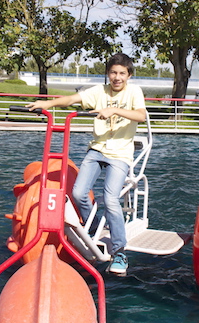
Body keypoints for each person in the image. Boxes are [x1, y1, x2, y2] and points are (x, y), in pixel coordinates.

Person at [26, 53, 147, 275]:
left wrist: (114, 110)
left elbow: (140, 115)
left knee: (110, 198)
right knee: (79, 193)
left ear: (129, 75)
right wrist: (47, 103)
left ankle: (119, 250)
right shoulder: (99, 92)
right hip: (97, 150)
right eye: (113, 72)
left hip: (120, 154)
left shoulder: (134, 92)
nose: (117, 77)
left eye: (122, 73)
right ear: (107, 74)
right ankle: (93, 228)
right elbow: (72, 99)